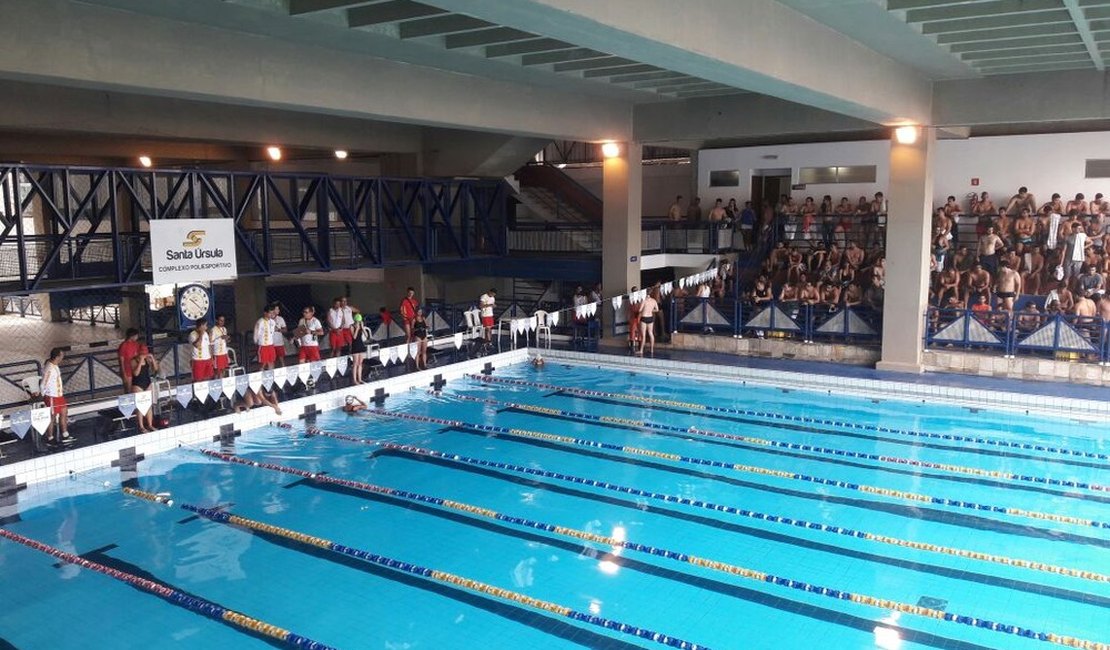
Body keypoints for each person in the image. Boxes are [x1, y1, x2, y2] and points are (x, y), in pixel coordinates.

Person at [41, 347, 70, 445]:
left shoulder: (55, 365)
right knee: (52, 417)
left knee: (64, 412)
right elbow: (43, 383)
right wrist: (43, 396)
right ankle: (50, 437)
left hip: (59, 395)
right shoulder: (49, 368)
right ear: (57, 357)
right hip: (52, 396)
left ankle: (65, 434)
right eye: (62, 356)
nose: (63, 358)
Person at [130, 345, 159, 433]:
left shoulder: (148, 359)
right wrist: (140, 361)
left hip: (147, 383)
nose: (144, 355)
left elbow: (155, 370)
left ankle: (150, 425)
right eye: (143, 353)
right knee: (140, 405)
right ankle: (141, 426)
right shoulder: (133, 360)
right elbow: (135, 373)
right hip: (137, 384)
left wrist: (152, 359)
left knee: (148, 405)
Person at [253, 305, 277, 370]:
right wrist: (256, 342)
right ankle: (261, 375)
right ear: (265, 313)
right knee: (263, 363)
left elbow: (272, 333)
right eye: (270, 313)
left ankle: (272, 377)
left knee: (271, 361)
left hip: (270, 345)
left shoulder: (272, 322)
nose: (271, 314)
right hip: (263, 345)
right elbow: (256, 333)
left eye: (273, 313)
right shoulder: (260, 322)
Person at [638, 288, 660, 357]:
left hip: (644, 318)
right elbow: (657, 309)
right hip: (650, 318)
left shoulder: (644, 300)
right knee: (651, 333)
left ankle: (641, 350)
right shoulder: (654, 301)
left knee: (643, 335)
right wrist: (650, 310)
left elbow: (639, 310)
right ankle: (652, 350)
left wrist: (644, 310)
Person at [350, 313, 368, 384]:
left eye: (359, 322)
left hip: (361, 345)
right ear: (355, 321)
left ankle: (360, 379)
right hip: (355, 346)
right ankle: (355, 380)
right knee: (355, 364)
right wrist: (357, 328)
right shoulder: (351, 326)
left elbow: (366, 336)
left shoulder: (361, 326)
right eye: (357, 322)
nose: (358, 323)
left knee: (360, 363)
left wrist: (363, 328)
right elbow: (354, 337)